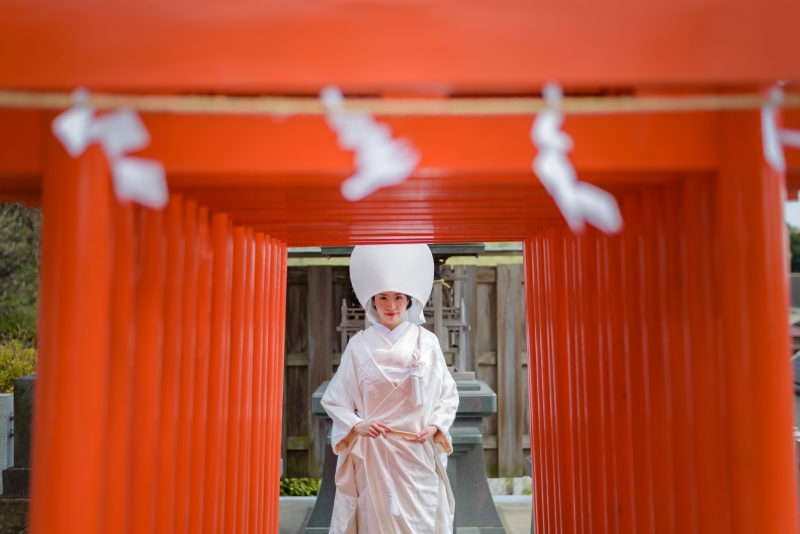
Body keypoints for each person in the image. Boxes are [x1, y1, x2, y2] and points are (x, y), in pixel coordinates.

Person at [321, 244, 459, 533]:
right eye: (382, 297)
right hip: (374, 451)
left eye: (398, 297)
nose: (391, 305)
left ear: (409, 301)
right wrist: (357, 425)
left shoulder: (427, 342)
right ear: (373, 301)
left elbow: (447, 394)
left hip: (416, 448)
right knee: (375, 519)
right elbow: (335, 399)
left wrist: (435, 426)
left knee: (419, 520)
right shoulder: (358, 345)